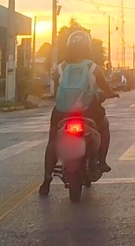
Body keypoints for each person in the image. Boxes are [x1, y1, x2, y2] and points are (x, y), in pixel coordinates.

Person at [39, 30, 117, 196]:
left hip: (62, 112)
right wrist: (110, 93)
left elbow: (55, 85)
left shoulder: (61, 68)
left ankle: (46, 179)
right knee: (104, 127)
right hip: (89, 110)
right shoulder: (94, 68)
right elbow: (104, 87)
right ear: (88, 48)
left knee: (53, 140)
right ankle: (102, 161)